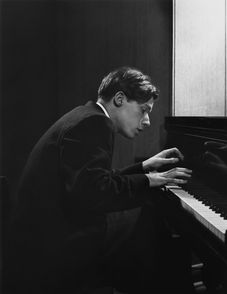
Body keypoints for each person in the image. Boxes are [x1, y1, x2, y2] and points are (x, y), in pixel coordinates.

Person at [4, 67, 193, 294]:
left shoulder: (85, 115)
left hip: (45, 237)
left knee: (146, 224)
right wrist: (149, 180)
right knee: (151, 224)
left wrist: (144, 167)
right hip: (52, 250)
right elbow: (94, 194)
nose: (147, 121)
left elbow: (95, 181)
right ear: (120, 99)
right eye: (143, 110)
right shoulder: (92, 124)